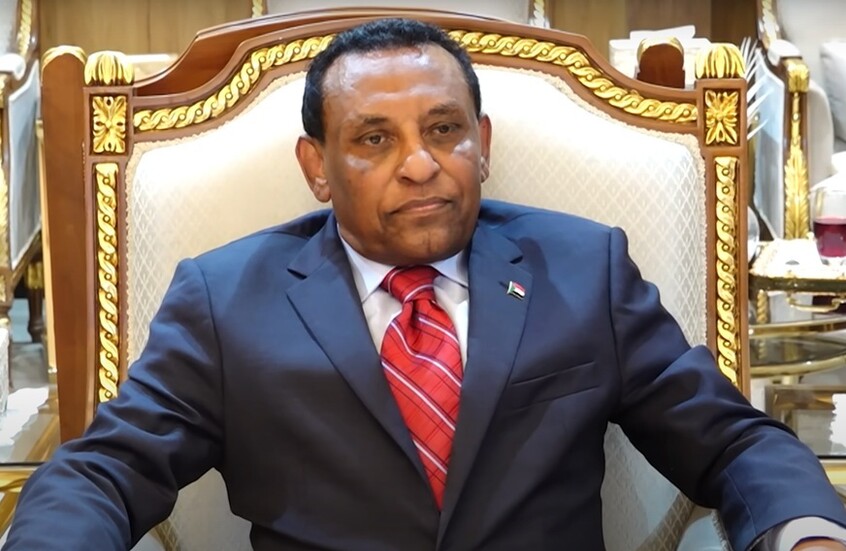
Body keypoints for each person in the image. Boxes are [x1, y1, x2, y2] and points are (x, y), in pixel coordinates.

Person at [5, 17, 846, 551]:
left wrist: (808, 534)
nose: (420, 164)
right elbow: (105, 470)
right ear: (317, 167)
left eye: (444, 130)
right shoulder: (227, 299)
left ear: (483, 143)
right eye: (374, 139)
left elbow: (732, 441)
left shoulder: (583, 268)